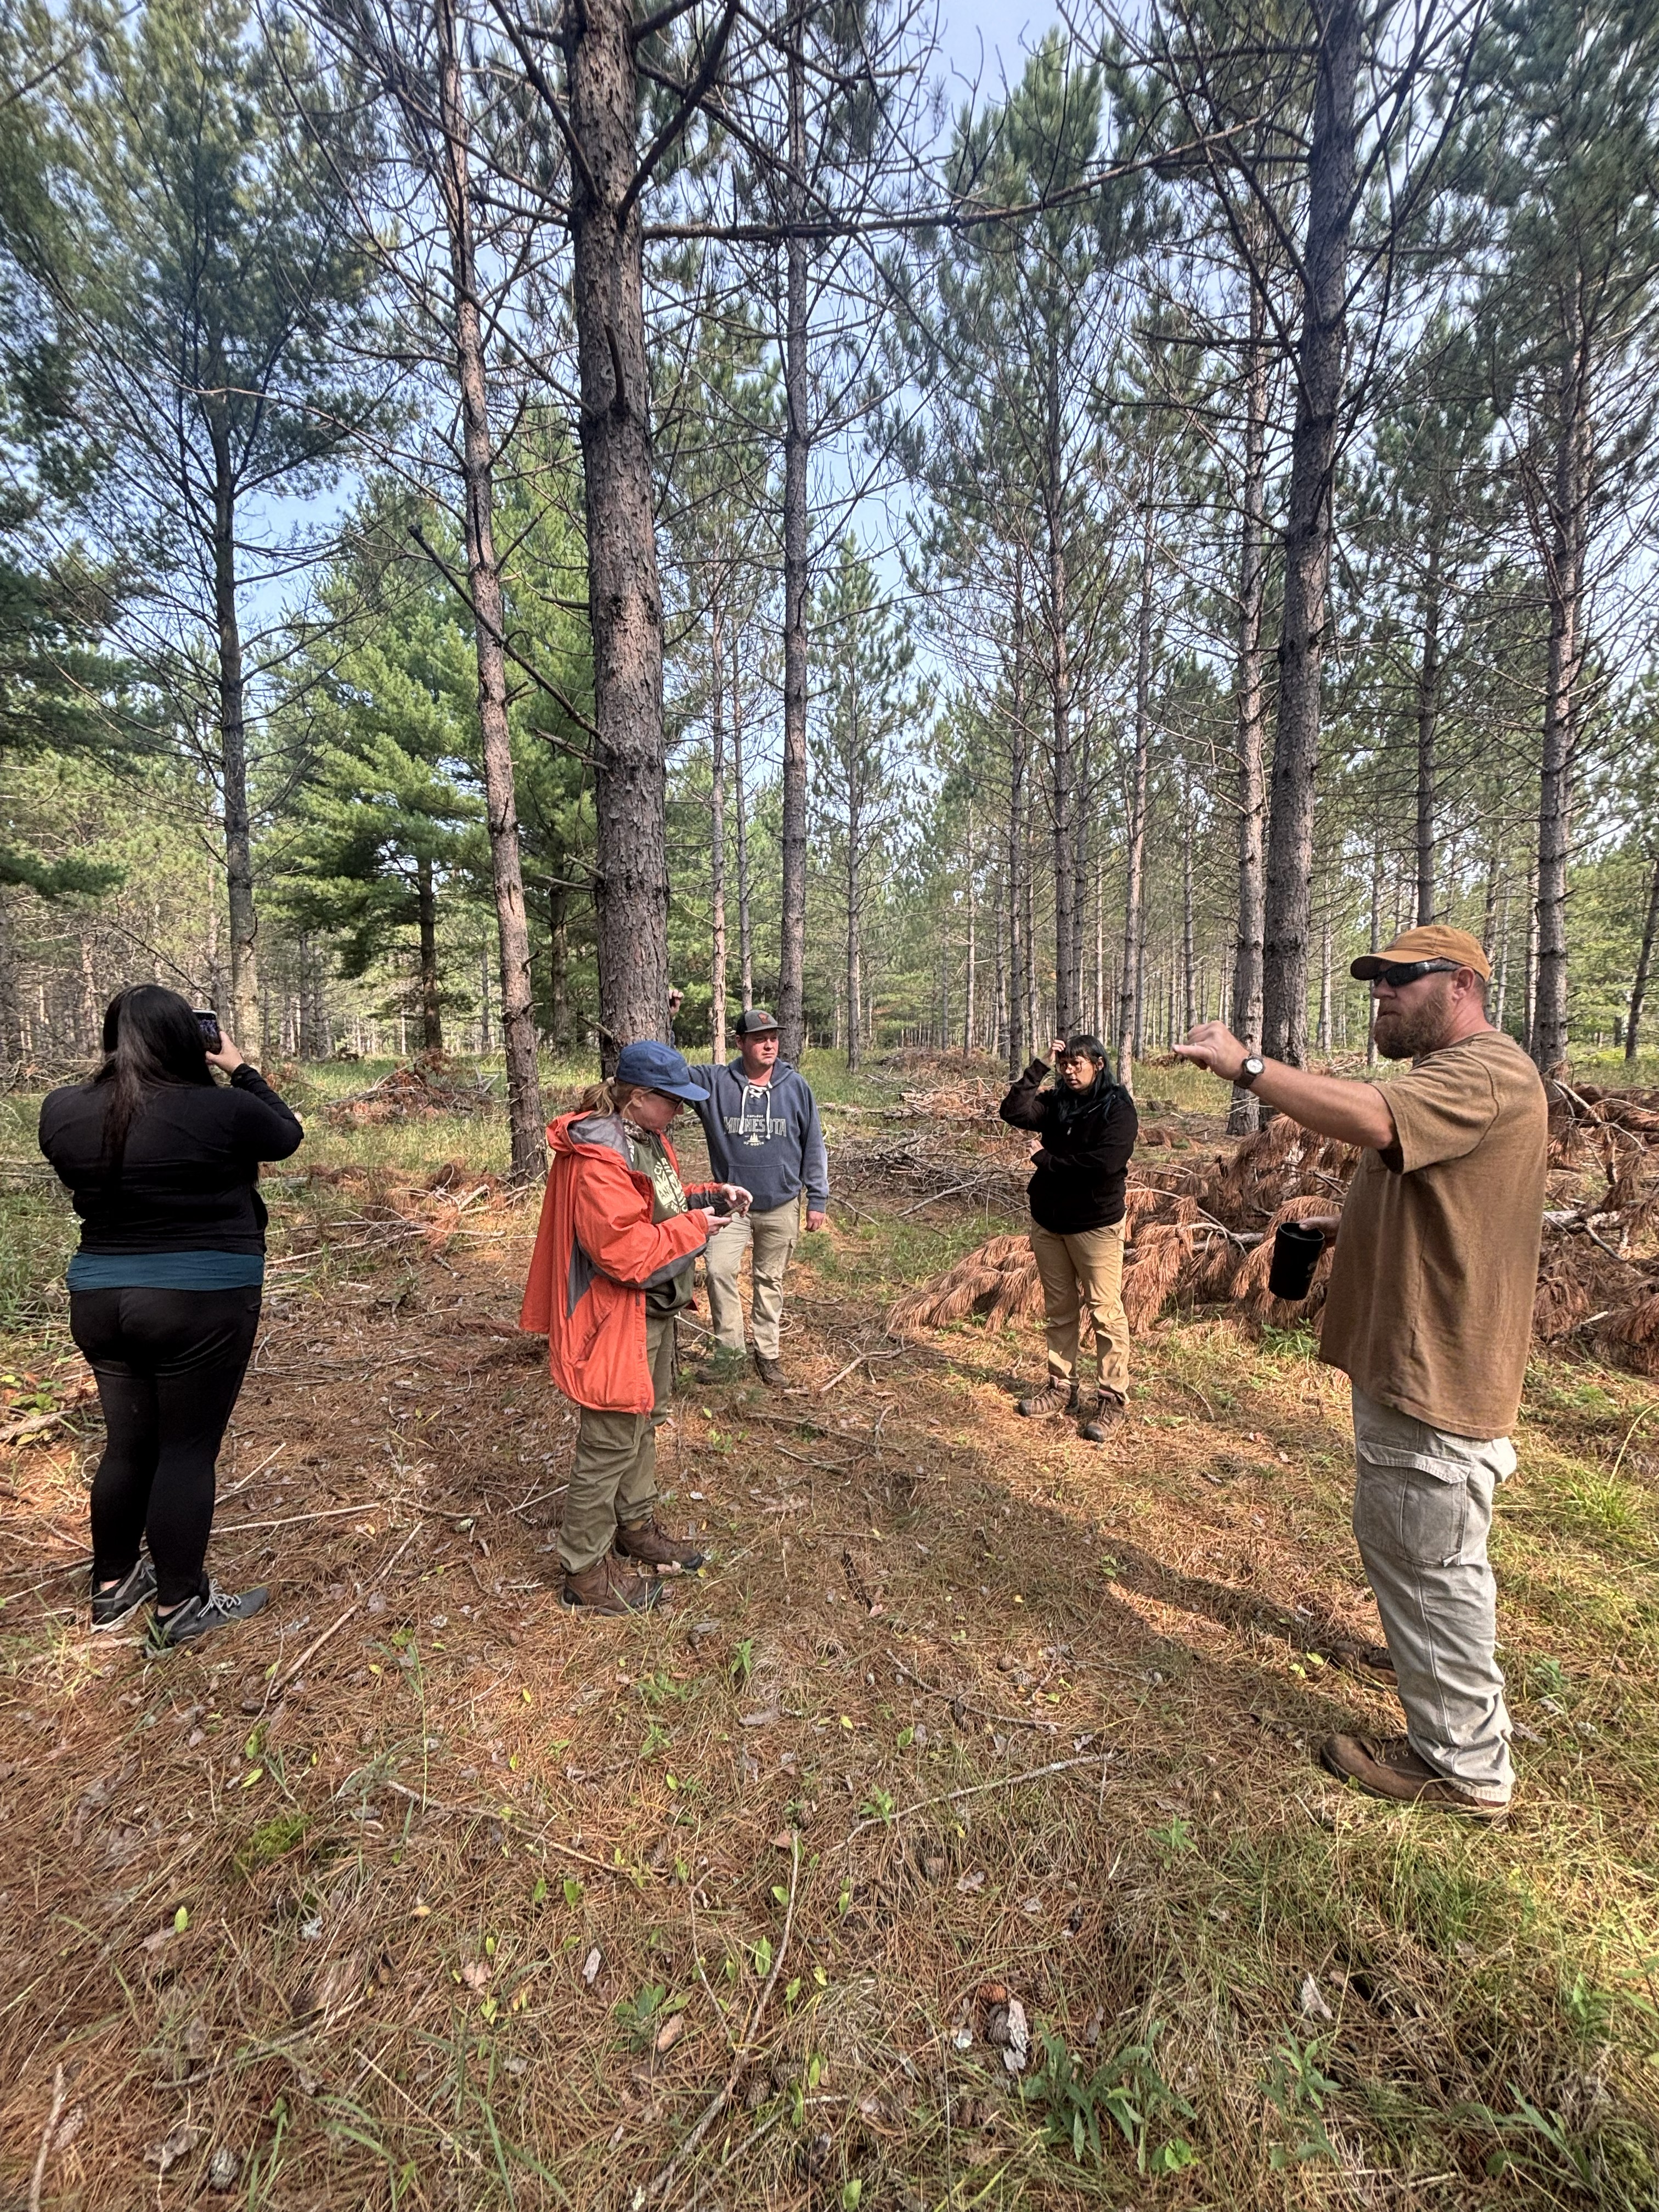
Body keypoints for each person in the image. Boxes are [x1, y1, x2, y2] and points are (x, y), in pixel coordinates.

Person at [1174, 925, 1547, 1821]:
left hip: (1437, 1367)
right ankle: (1432, 1673)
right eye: (1372, 978)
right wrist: (1348, 1229)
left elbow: (1374, 1120)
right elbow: (1450, 1195)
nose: (1378, 990)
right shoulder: (1452, 1078)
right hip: (1412, 1359)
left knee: (1430, 1556)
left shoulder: (1484, 1070)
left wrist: (1247, 1067)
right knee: (1413, 1544)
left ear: (1462, 985)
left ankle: (1463, 1768)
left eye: (1398, 978)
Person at [37, 986, 303, 1646]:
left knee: (128, 1444)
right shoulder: (222, 1110)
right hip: (201, 1300)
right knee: (186, 1449)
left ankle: (113, 1586)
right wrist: (239, 1067)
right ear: (190, 1039)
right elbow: (287, 1135)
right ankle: (179, 1604)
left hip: (100, 1299)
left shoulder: (62, 1110)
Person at [520, 1040, 752, 1614]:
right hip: (611, 1318)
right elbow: (623, 1251)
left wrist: (710, 1196)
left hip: (651, 1312)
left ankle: (635, 1526)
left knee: (643, 1424)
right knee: (608, 1443)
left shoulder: (646, 1138)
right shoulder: (599, 1158)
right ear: (639, 1097)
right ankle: (583, 1571)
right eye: (673, 1101)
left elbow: (657, 1205)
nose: (680, 1111)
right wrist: (697, 1228)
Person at [999, 1034, 1139, 1442]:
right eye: (1064, 1065)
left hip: (1095, 1225)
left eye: (1077, 1064)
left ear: (1099, 1064)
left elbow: (1104, 1164)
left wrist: (1046, 1160)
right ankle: (1061, 1388)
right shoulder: (1058, 1101)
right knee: (1059, 1309)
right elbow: (1013, 1111)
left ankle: (1111, 1398)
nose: (1070, 1071)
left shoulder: (1117, 1107)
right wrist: (1040, 1066)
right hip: (1049, 1222)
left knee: (1105, 1312)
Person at [682, 1006, 829, 1388]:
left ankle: (768, 1354)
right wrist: (666, 1014)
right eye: (760, 1039)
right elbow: (671, 1070)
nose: (769, 1046)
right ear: (740, 1043)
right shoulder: (716, 1083)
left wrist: (817, 1198)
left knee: (770, 1280)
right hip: (731, 1205)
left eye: (773, 1039)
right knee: (718, 1271)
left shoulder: (795, 1087)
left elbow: (813, 1144)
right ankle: (730, 1354)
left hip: (781, 1202)